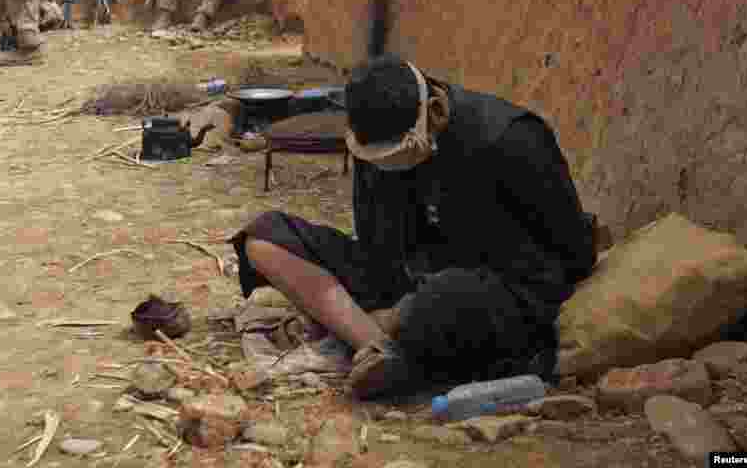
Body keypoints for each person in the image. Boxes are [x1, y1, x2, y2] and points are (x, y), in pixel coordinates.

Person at [230, 55, 596, 399]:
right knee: (265, 238)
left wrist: (419, 300)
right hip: (401, 275)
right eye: (377, 160)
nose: (388, 169)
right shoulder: (373, 142)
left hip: (486, 292)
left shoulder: (512, 140)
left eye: (398, 156)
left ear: (435, 112)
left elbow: (573, 257)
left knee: (441, 301)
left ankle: (385, 340)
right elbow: (376, 246)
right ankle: (378, 347)